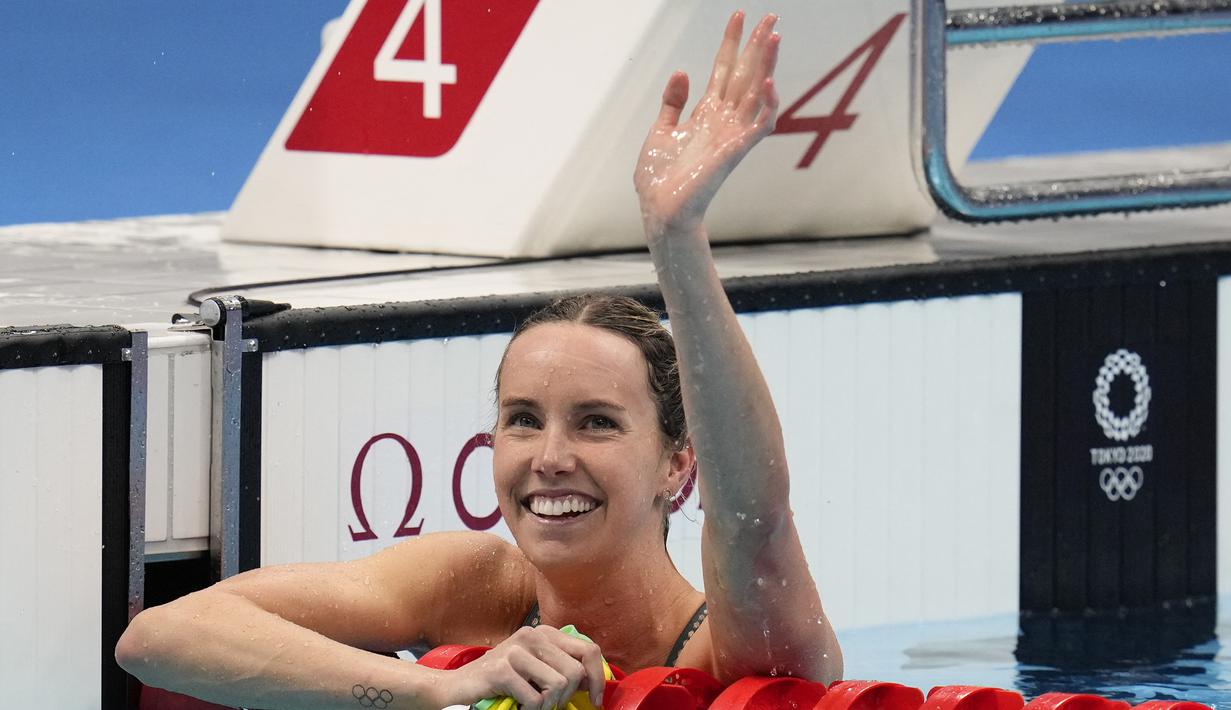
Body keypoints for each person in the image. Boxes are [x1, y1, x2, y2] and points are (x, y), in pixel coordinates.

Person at [116, 11, 842, 709]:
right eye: (523, 419)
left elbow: (753, 520)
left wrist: (677, 241)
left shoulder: (737, 653)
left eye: (596, 422)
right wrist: (439, 687)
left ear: (678, 465)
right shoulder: (476, 590)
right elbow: (160, 638)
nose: (550, 458)